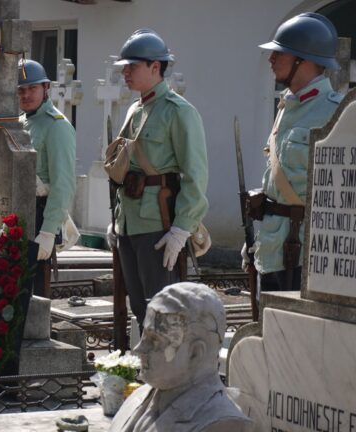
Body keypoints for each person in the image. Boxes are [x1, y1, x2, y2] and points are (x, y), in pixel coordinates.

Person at [106, 29, 208, 327]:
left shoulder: (179, 112)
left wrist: (181, 228)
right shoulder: (135, 109)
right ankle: (146, 371)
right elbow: (123, 168)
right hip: (129, 222)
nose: (125, 72)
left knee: (163, 309)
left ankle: (171, 373)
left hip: (158, 225)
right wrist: (116, 218)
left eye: (132, 66)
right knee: (139, 306)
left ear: (155, 67)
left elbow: (195, 175)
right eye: (124, 66)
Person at [242, 13, 343, 292]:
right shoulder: (287, 108)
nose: (271, 59)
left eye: (280, 52)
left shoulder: (337, 111)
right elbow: (275, 181)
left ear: (305, 60)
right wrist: (254, 239)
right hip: (272, 247)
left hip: (306, 253)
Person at [109, 282, 253, 432]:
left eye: (155, 340)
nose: (139, 349)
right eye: (144, 336)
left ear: (195, 353)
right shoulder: (137, 398)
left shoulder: (223, 422)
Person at [17, 59, 76, 297]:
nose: (26, 95)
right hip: (20, 216)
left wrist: (49, 231)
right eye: (21, 90)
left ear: (45, 87)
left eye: (32, 88)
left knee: (36, 296)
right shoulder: (20, 123)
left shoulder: (56, 126)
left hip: (41, 216)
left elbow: (63, 184)